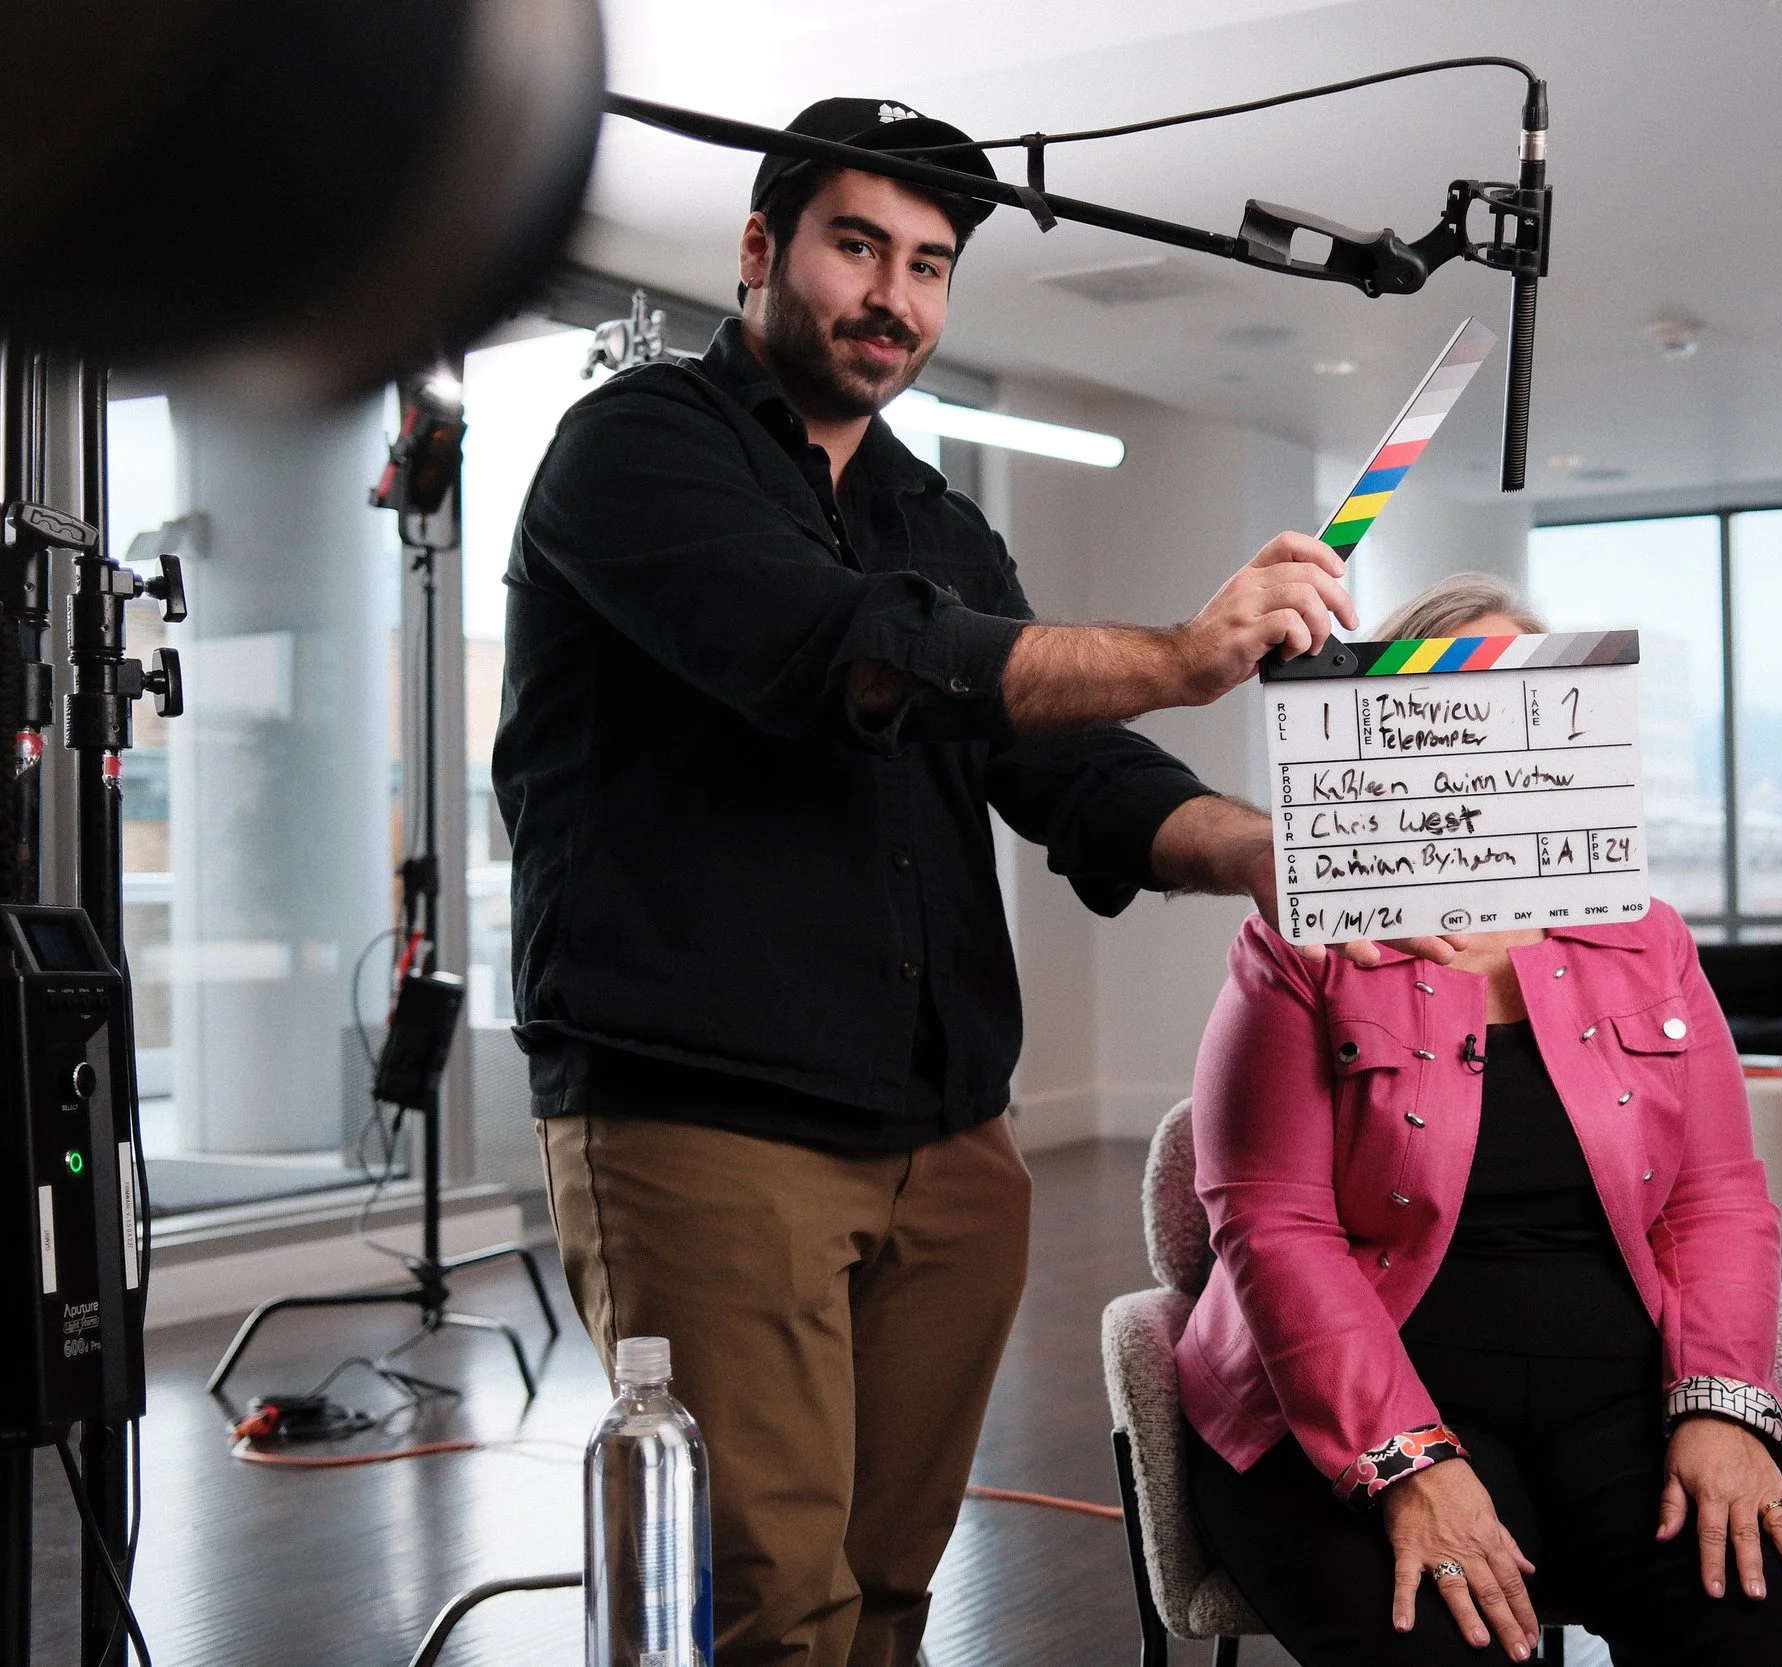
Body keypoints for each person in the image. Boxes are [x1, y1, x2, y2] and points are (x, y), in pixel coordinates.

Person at [495, 97, 1413, 1667]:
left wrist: (1276, 852)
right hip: (707, 1129)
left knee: (891, 1598)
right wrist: (1187, 655)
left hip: (946, 1143)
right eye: (859, 246)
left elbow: (1071, 773)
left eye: (930, 265)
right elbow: (847, 658)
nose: (896, 299)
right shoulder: (636, 448)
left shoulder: (937, 518)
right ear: (760, 249)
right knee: (771, 1615)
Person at [1176, 577, 1782, 1665]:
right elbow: (1270, 1225)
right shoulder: (1303, 943)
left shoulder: (1647, 935)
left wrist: (1724, 1409)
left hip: (1621, 1387)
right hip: (1357, 1384)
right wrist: (1403, 1461)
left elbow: (1719, 1195)